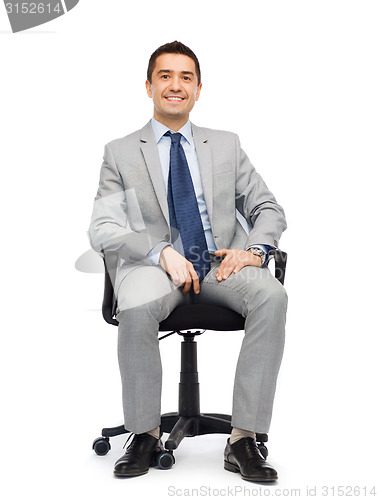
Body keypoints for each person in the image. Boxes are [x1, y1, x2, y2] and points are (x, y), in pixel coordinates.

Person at [89, 41, 288, 482]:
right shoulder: (120, 151)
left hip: (219, 264)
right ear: (148, 86)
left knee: (271, 296)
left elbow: (268, 208)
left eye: (185, 78)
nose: (175, 86)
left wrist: (254, 251)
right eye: (165, 76)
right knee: (137, 305)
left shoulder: (226, 144)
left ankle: (243, 439)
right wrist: (159, 251)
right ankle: (143, 434)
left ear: (198, 89)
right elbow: (102, 227)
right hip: (152, 269)